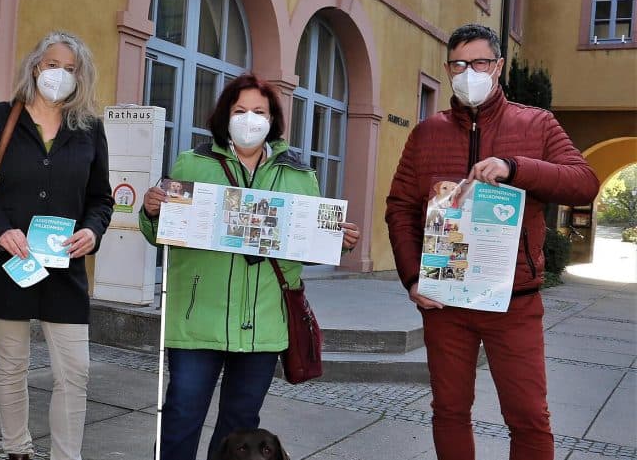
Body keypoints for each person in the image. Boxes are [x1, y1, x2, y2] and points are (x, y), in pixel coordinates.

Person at [385, 24, 598, 460]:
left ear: (498, 67)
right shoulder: (427, 133)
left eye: (479, 62)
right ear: (447, 70)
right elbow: (401, 209)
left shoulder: (536, 124)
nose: (469, 72)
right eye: (459, 64)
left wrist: (515, 167)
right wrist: (411, 277)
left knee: (528, 417)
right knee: (448, 410)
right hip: (446, 300)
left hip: (513, 302)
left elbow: (584, 182)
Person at [139, 75, 360, 460]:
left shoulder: (299, 175)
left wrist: (335, 240)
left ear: (272, 119)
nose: (249, 119)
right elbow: (162, 235)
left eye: (259, 111)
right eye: (240, 111)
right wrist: (152, 211)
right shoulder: (194, 163)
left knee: (240, 428)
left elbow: (305, 245)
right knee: (180, 417)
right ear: (225, 116)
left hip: (262, 324)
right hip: (197, 318)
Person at [0, 31, 113, 460]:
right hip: (9, 261)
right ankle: (17, 450)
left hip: (64, 269)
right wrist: (0, 230)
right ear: (34, 66)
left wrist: (93, 231)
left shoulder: (89, 129)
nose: (59, 75)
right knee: (11, 366)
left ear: (80, 77)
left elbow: (101, 197)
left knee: (75, 372)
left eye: (69, 68)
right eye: (52, 64)